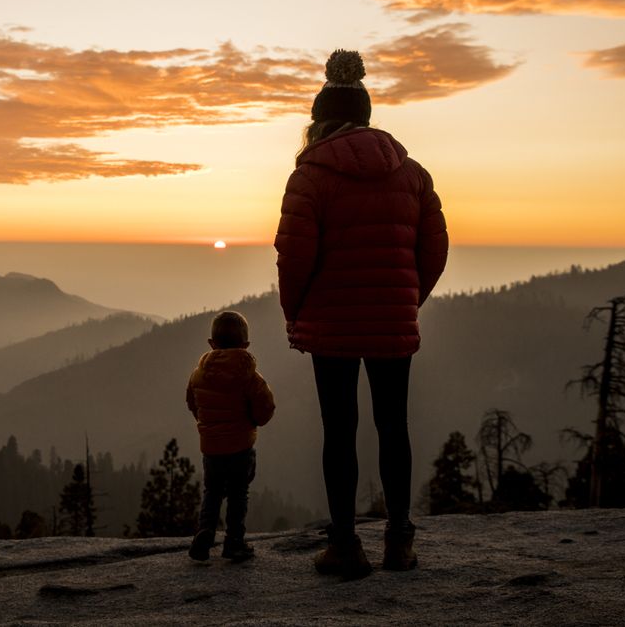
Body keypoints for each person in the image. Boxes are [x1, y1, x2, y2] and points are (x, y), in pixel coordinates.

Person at [274, 49, 448, 580]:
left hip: (331, 323)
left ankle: (345, 546)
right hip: (392, 318)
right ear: (368, 114)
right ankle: (400, 542)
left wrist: (295, 313)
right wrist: (405, 300)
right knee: (394, 425)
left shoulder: (310, 175)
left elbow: (293, 254)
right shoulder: (412, 173)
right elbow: (435, 248)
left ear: (319, 119)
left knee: (339, 429)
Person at [186, 310, 276, 563]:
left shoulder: (198, 374)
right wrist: (254, 421)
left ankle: (204, 533)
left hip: (211, 447)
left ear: (212, 344)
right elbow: (265, 408)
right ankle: (234, 542)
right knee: (238, 493)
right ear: (246, 345)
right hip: (241, 446)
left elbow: (193, 403)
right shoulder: (250, 377)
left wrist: (207, 425)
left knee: (212, 491)